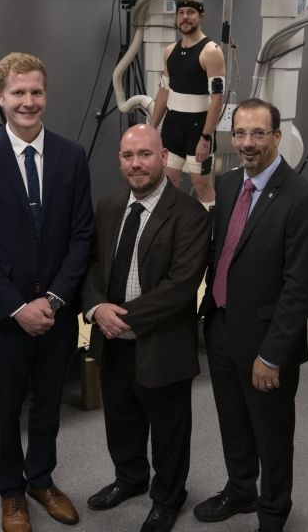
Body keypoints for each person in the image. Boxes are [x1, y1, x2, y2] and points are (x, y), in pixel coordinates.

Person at [0, 52, 94, 532]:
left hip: (56, 313)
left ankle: (41, 479)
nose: (28, 101)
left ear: (45, 94)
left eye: (36, 91)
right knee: (6, 408)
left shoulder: (71, 155)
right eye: (18, 92)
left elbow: (82, 237)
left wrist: (53, 301)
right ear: (0, 97)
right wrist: (18, 306)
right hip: (5, 314)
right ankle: (10, 493)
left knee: (50, 403)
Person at [195, 98, 308, 532]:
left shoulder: (304, 200)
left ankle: (273, 513)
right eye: (239, 134)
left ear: (277, 136)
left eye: (258, 134)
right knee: (233, 421)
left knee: (271, 435)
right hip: (221, 325)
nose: (247, 143)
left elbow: (300, 287)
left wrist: (272, 355)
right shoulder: (230, 183)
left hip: (266, 342)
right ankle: (240, 490)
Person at [81, 124, 211, 532]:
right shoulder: (108, 204)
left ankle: (169, 496)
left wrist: (121, 319)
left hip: (161, 342)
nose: (136, 164)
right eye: (127, 156)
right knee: (120, 417)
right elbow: (93, 266)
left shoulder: (189, 214)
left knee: (169, 427)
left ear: (162, 156)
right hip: (111, 339)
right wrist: (96, 308)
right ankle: (130, 478)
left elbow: (181, 286)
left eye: (144, 154)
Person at [149, 0, 226, 206]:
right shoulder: (169, 51)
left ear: (201, 16)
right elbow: (164, 92)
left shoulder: (212, 52)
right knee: (168, 183)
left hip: (198, 129)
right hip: (173, 127)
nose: (185, 17)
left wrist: (207, 137)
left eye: (191, 12)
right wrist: (152, 128)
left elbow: (217, 98)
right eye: (181, 13)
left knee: (202, 186)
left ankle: (211, 235)